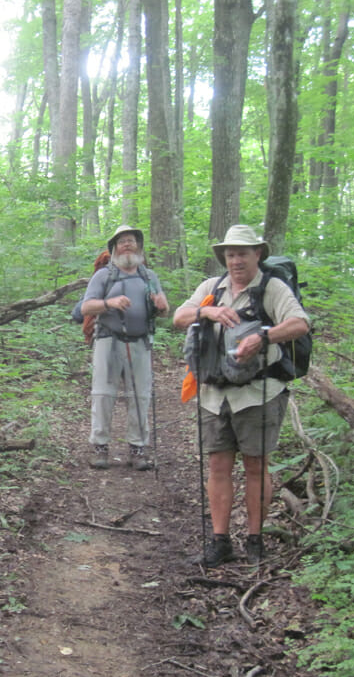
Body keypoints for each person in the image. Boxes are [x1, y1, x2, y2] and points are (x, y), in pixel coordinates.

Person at [172, 225, 310, 566]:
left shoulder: (271, 287)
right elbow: (178, 317)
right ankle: (219, 542)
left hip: (258, 394)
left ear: (257, 254)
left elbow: (300, 323)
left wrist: (264, 337)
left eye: (242, 253)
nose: (236, 260)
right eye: (230, 254)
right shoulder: (211, 288)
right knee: (218, 464)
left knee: (255, 465)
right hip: (212, 394)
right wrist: (208, 311)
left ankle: (255, 540)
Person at [80, 226, 170, 471]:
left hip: (140, 341)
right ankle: (100, 447)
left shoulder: (149, 276)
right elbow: (86, 308)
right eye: (122, 242)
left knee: (140, 395)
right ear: (114, 248)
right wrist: (109, 303)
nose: (127, 245)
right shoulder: (103, 276)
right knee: (103, 394)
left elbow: (163, 310)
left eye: (132, 241)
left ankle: (138, 449)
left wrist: (163, 306)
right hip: (108, 340)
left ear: (139, 247)